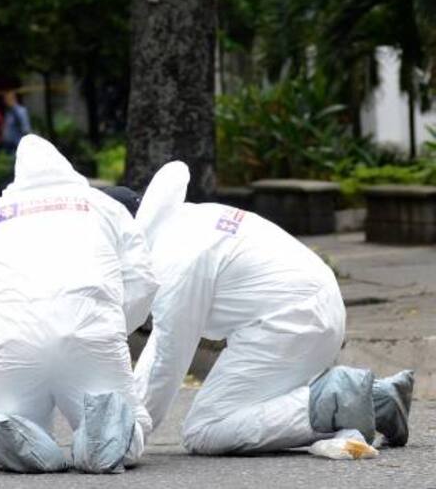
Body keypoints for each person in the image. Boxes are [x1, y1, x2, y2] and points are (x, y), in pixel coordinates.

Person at [107, 161, 414, 456]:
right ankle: (361, 399)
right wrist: (130, 414)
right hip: (308, 312)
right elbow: (163, 344)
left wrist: (127, 433)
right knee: (242, 411)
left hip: (292, 322)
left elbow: (167, 357)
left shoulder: (173, 260)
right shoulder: (186, 222)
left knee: (206, 428)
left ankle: (353, 399)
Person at [0, 135, 159, 474]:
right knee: (126, 433)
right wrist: (113, 323)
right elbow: (142, 280)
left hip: (6, 342)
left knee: (10, 424)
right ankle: (105, 438)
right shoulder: (105, 207)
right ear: (66, 168)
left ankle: (14, 430)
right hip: (90, 335)